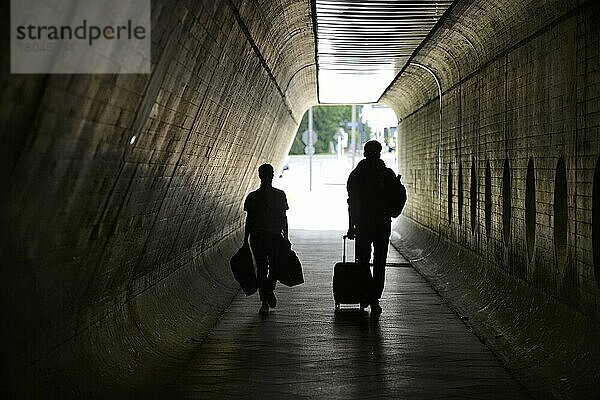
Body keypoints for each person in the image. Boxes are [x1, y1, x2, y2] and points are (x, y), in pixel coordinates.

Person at [346, 140, 397, 315]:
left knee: (363, 261)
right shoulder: (387, 174)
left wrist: (351, 226)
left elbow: (352, 202)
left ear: (364, 153)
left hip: (363, 225)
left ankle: (369, 295)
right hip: (382, 224)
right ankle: (374, 296)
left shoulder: (356, 175)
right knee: (379, 262)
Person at [243, 163, 289, 315]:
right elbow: (284, 218)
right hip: (275, 237)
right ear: (272, 176)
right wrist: (286, 237)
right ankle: (269, 291)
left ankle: (264, 301)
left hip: (257, 238)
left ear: (259, 176)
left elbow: (249, 221)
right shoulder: (280, 195)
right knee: (275, 268)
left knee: (262, 269)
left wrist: (245, 239)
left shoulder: (252, 197)